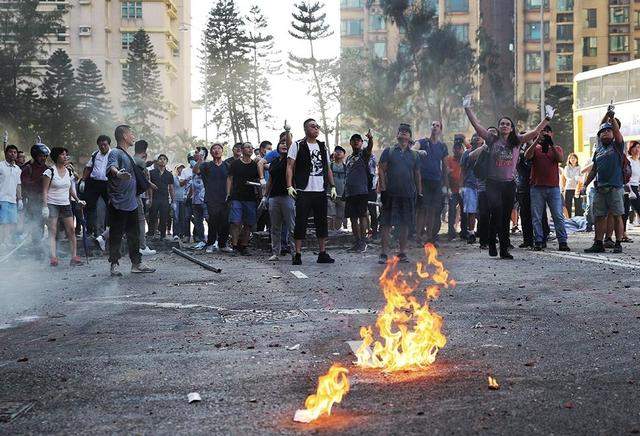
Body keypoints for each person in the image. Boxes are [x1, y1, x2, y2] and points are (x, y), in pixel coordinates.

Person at [464, 94, 554, 259]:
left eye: (507, 124)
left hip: (509, 184)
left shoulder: (517, 141)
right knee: (496, 213)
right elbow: (477, 126)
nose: (504, 126)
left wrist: (548, 118)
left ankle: (504, 249)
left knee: (505, 217)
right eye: (502, 124)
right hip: (492, 183)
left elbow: (535, 131)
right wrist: (467, 108)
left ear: (512, 128)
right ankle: (492, 241)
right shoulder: (492, 139)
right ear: (499, 128)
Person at [286, 118, 338, 265]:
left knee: (321, 222)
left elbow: (327, 168)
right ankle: (297, 254)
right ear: (305, 129)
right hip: (304, 189)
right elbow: (289, 166)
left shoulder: (323, 146)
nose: (316, 128)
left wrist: (332, 186)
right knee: (300, 222)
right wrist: (289, 186)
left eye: (317, 126)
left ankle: (322, 253)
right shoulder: (297, 145)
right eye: (312, 126)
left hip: (320, 189)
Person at [106, 125, 155, 276]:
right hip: (119, 202)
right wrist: (118, 174)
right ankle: (114, 264)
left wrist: (147, 184)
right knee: (116, 234)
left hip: (132, 202)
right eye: (131, 134)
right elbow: (112, 167)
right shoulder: (115, 152)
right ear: (124, 136)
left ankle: (136, 264)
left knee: (134, 235)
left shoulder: (128, 155)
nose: (133, 136)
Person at [581, 107, 626, 253]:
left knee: (617, 215)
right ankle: (598, 243)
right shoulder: (598, 149)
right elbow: (594, 170)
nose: (605, 132)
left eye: (609, 130)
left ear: (614, 134)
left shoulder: (618, 145)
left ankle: (618, 243)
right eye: (602, 132)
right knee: (599, 216)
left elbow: (617, 132)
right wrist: (585, 184)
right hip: (600, 188)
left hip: (615, 187)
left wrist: (611, 117)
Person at [378, 123, 422, 264]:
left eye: (406, 132)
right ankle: (384, 253)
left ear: (410, 137)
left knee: (405, 224)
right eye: (401, 131)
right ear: (397, 135)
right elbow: (381, 171)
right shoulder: (389, 151)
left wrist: (419, 193)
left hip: (408, 194)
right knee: (385, 223)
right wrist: (383, 190)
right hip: (390, 194)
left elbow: (417, 175)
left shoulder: (414, 155)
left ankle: (402, 253)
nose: (403, 133)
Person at [524, 125, 570, 251]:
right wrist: (536, 141)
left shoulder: (557, 148)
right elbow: (527, 156)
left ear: (552, 134)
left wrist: (551, 145)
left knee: (558, 215)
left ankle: (563, 241)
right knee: (536, 216)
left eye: (547, 132)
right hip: (536, 187)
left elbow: (560, 159)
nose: (545, 135)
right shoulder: (536, 148)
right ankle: (538, 240)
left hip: (553, 188)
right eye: (542, 132)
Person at [41, 147, 85, 266]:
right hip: (52, 204)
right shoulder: (50, 172)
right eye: (62, 154)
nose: (65, 156)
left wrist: (77, 200)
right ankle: (53, 257)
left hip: (65, 204)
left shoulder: (69, 172)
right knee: (53, 230)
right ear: (56, 157)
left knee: (71, 230)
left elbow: (70, 189)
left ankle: (74, 256)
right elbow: (44, 191)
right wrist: (45, 207)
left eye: (66, 154)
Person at [194, 143, 233, 253]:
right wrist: (200, 159)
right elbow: (196, 171)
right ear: (211, 153)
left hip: (225, 198)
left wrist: (228, 194)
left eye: (219, 148)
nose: (216, 150)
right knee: (213, 221)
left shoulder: (227, 165)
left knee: (225, 222)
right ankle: (210, 243)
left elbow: (230, 179)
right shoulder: (206, 165)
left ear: (222, 151)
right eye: (214, 149)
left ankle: (222, 244)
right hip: (211, 198)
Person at [415, 121, 448, 244]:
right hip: (423, 181)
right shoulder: (423, 142)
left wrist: (446, 186)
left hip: (437, 182)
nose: (434, 127)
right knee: (422, 209)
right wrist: (418, 152)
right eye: (433, 125)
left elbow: (445, 167)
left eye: (437, 125)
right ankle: (418, 237)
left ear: (440, 130)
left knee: (433, 210)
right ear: (430, 128)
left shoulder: (442, 146)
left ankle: (430, 237)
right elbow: (413, 149)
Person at [263, 137, 295, 261]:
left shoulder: (291, 161)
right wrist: (265, 196)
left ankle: (294, 252)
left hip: (288, 197)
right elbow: (270, 180)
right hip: (274, 197)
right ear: (278, 146)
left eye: (286, 143)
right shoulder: (275, 161)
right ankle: (276, 252)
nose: (284, 145)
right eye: (281, 143)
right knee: (275, 227)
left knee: (292, 226)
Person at [227, 142, 260, 255]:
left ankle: (244, 246)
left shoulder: (255, 165)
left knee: (248, 223)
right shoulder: (235, 164)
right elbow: (230, 178)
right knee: (235, 222)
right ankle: (235, 246)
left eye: (252, 148)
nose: (250, 149)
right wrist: (228, 193)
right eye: (248, 147)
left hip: (250, 198)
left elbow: (259, 179)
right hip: (236, 196)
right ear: (242, 149)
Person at [345, 131, 374, 252]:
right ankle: (357, 242)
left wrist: (370, 139)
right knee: (352, 218)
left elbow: (370, 147)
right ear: (351, 143)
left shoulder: (364, 155)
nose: (356, 141)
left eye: (359, 140)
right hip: (350, 192)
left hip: (362, 191)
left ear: (362, 143)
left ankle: (363, 241)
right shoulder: (348, 158)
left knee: (362, 216)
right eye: (354, 140)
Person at [20, 143, 50, 255]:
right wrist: (39, 180)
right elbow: (25, 184)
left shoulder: (47, 169)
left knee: (41, 225)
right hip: (32, 202)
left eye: (45, 156)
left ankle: (39, 248)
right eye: (42, 155)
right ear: (35, 155)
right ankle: (34, 249)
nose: (44, 158)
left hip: (44, 202)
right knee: (34, 225)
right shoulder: (27, 169)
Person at [82, 135, 111, 237]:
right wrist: (83, 180)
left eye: (105, 145)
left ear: (109, 144)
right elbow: (88, 167)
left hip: (107, 184)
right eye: (100, 145)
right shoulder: (95, 154)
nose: (102, 147)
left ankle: (108, 231)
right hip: (94, 184)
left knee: (111, 207)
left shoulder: (113, 154)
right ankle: (90, 231)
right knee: (90, 206)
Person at [0, 144, 23, 249]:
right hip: (2, 198)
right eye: (10, 152)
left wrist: (20, 199)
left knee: (11, 222)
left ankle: (6, 241)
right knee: (3, 222)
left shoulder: (18, 169)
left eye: (15, 152)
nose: (13, 154)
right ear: (5, 153)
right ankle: (2, 242)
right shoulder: (1, 166)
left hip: (13, 200)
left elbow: (18, 185)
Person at [148, 154, 175, 241]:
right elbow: (150, 187)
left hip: (165, 198)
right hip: (155, 197)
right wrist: (150, 199)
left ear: (166, 162)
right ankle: (151, 234)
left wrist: (173, 201)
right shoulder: (152, 173)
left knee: (164, 217)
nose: (162, 160)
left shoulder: (169, 174)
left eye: (164, 159)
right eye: (160, 159)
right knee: (152, 216)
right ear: (157, 161)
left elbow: (171, 188)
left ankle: (163, 235)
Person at [460, 134, 481, 244]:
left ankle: (484, 232)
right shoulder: (466, 153)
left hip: (483, 185)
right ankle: (471, 233)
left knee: (484, 211)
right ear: (471, 140)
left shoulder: (485, 152)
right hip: (469, 185)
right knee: (471, 211)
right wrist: (461, 187)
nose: (476, 138)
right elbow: (462, 171)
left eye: (478, 137)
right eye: (474, 137)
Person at [445, 136, 465, 240]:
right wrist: (447, 189)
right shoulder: (449, 159)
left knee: (464, 211)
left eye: (459, 148)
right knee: (452, 211)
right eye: (455, 148)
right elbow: (446, 175)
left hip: (463, 189)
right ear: (453, 149)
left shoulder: (466, 158)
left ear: (462, 149)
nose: (457, 150)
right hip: (452, 190)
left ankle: (464, 231)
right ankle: (451, 232)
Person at [329, 145, 347, 231]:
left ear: (344, 155)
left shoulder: (346, 167)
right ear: (333, 154)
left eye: (341, 151)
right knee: (330, 215)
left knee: (340, 215)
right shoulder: (329, 166)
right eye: (337, 151)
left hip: (342, 196)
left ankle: (336, 232)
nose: (339, 152)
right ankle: (329, 233)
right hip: (330, 195)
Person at [562, 153, 582, 217]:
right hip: (569, 188)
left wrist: (578, 178)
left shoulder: (579, 167)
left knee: (578, 205)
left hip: (577, 188)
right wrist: (576, 178)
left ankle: (578, 218)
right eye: (571, 158)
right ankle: (569, 219)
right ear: (569, 160)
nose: (573, 159)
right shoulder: (566, 167)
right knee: (568, 205)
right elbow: (567, 177)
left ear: (577, 159)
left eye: (574, 158)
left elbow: (581, 176)